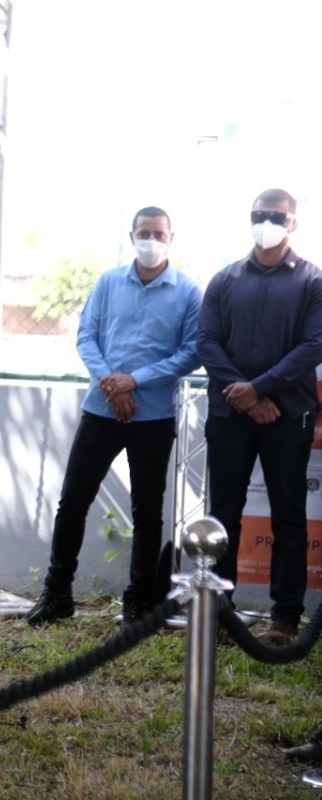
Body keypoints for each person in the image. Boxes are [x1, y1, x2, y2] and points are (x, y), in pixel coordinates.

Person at [26, 206, 202, 626]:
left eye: (159, 233)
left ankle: (138, 602)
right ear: (131, 236)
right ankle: (57, 594)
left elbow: (191, 353)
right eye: (144, 232)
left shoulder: (188, 292)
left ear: (171, 239)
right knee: (72, 503)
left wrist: (134, 381)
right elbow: (86, 336)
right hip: (100, 411)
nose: (151, 240)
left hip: (153, 417)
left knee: (147, 513)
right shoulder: (107, 282)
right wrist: (110, 383)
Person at [197, 188, 322, 645]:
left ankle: (285, 618)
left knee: (288, 516)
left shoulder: (312, 281)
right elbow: (206, 342)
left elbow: (313, 345)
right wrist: (247, 396)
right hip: (230, 413)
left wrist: (260, 388)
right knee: (223, 515)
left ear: (293, 224)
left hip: (286, 417)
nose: (266, 221)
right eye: (259, 214)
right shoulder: (224, 278)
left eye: (277, 216)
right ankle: (220, 613)